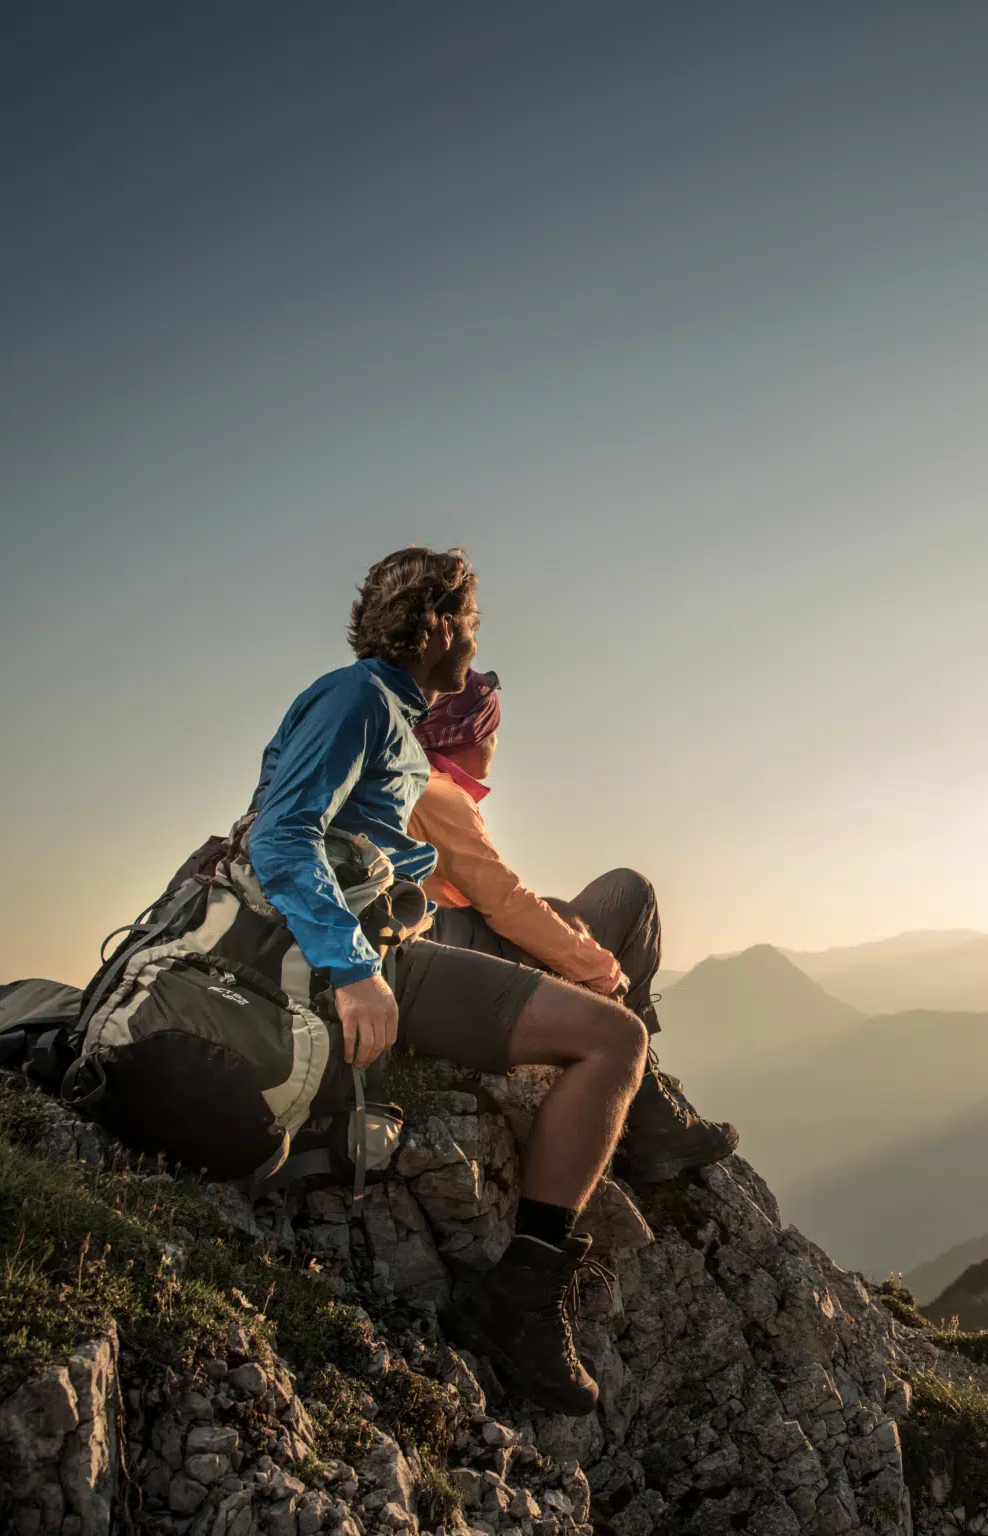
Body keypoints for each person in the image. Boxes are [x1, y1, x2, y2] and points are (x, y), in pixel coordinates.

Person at [243, 547, 629, 1415]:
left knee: (599, 1023)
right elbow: (280, 834)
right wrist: (352, 970)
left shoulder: (376, 707)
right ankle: (522, 1299)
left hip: (378, 942)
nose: (477, 646)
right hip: (371, 959)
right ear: (444, 625)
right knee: (616, 1039)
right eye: (475, 625)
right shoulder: (361, 700)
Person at [405, 667, 737, 1183]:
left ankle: (641, 1089)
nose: (496, 741)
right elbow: (506, 904)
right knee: (631, 890)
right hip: (446, 962)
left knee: (559, 906)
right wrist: (598, 967)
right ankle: (645, 1104)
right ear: (474, 734)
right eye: (492, 730)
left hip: (433, 950)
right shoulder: (438, 795)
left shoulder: (405, 781)